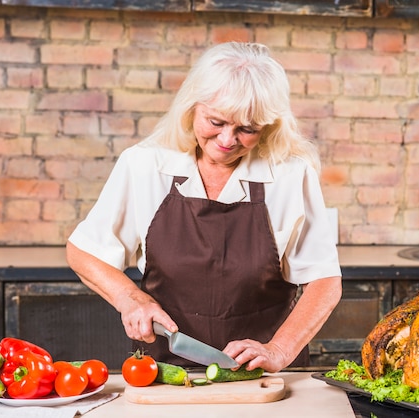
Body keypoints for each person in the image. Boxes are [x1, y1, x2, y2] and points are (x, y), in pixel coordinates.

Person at [66, 42, 342, 373]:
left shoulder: (290, 175)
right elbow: (85, 252)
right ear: (191, 108)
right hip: (164, 372)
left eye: (247, 129)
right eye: (216, 121)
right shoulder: (144, 165)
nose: (228, 140)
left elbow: (324, 282)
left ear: (268, 127)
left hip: (263, 377)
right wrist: (131, 299)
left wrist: (279, 350)